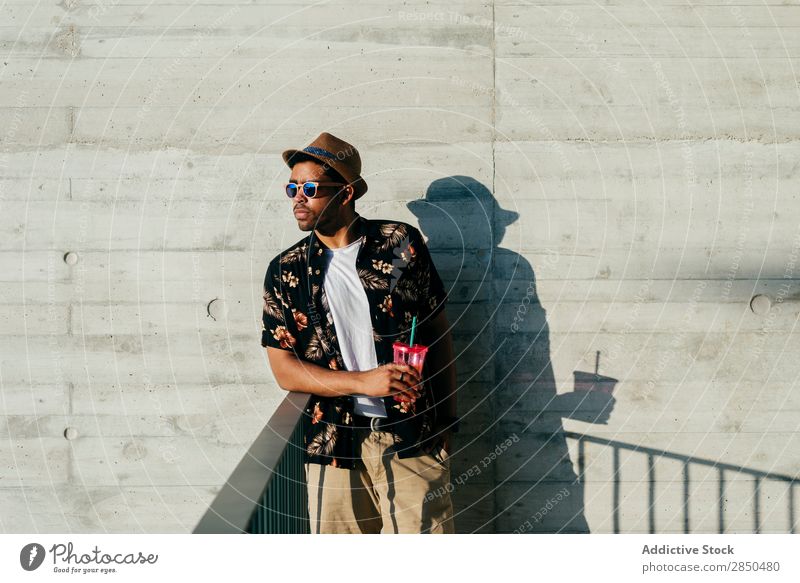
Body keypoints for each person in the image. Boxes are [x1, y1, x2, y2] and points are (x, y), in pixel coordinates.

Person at [261, 132, 459, 534]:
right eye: (292, 188)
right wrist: (364, 382)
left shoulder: (400, 242)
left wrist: (447, 419)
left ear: (346, 193)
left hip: (411, 433)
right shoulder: (286, 269)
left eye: (311, 188)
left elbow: (437, 330)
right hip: (332, 440)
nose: (298, 197)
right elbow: (284, 369)